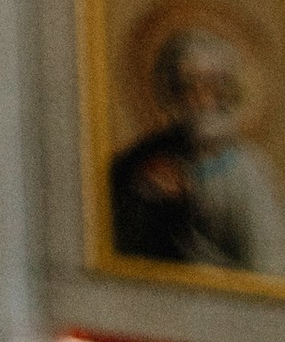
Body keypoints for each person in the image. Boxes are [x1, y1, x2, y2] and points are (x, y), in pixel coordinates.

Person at [110, 19, 285, 274]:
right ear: (171, 91)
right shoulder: (146, 159)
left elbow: (268, 268)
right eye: (189, 85)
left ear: (229, 91)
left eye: (213, 84)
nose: (201, 97)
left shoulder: (249, 169)